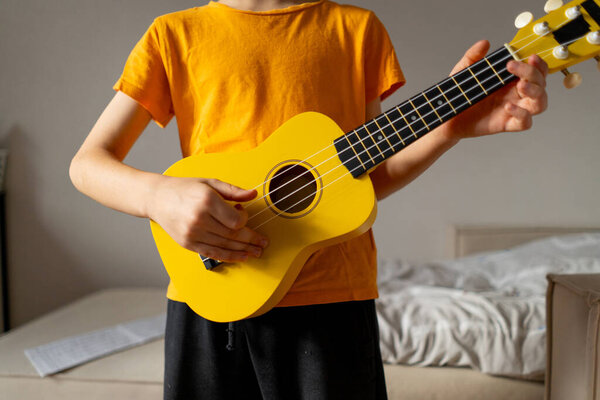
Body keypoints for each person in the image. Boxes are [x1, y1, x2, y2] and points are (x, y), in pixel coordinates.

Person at [69, 0, 548, 398]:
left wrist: (449, 129)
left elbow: (359, 180)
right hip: (210, 297)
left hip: (334, 301)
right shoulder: (173, 34)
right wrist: (155, 195)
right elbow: (88, 163)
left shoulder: (356, 30)